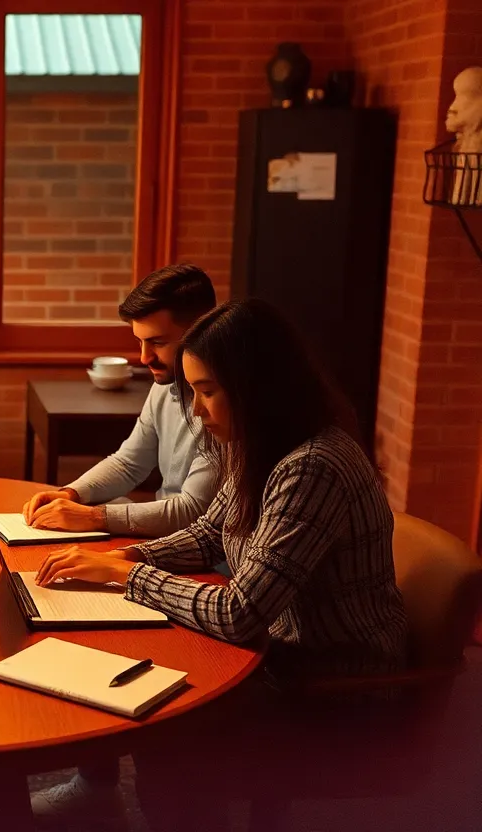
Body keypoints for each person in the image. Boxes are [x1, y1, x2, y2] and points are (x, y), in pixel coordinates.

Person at [33, 300, 408, 832]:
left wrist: (128, 576)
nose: (198, 411)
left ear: (258, 387)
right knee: (129, 654)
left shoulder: (312, 466)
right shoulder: (264, 445)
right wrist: (125, 555)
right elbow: (212, 533)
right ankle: (114, 797)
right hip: (280, 653)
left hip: (333, 683)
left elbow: (241, 612)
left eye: (207, 391)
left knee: (165, 721)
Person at [22, 263, 219, 540]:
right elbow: (129, 463)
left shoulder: (226, 406)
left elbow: (193, 511)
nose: (143, 358)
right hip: (164, 540)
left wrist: (93, 517)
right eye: (139, 342)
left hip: (197, 552)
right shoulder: (165, 385)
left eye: (157, 343)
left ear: (201, 331)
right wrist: (70, 493)